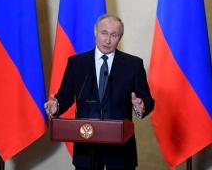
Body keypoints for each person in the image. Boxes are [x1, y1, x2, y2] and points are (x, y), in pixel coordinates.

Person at [45, 14, 155, 170]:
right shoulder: (77, 63)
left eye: (114, 35)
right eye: (104, 33)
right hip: (86, 145)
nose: (108, 40)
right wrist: (57, 105)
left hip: (121, 150)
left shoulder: (133, 65)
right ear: (95, 31)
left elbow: (147, 100)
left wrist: (141, 106)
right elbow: (65, 95)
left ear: (120, 37)